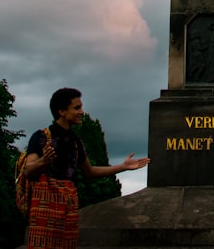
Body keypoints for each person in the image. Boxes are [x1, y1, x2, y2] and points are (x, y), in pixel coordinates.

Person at [21, 87, 150, 249]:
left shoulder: (75, 141)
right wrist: (43, 162)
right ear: (61, 111)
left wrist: (123, 166)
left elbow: (90, 171)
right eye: (77, 108)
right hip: (46, 204)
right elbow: (28, 170)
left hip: (69, 205)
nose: (82, 112)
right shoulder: (42, 136)